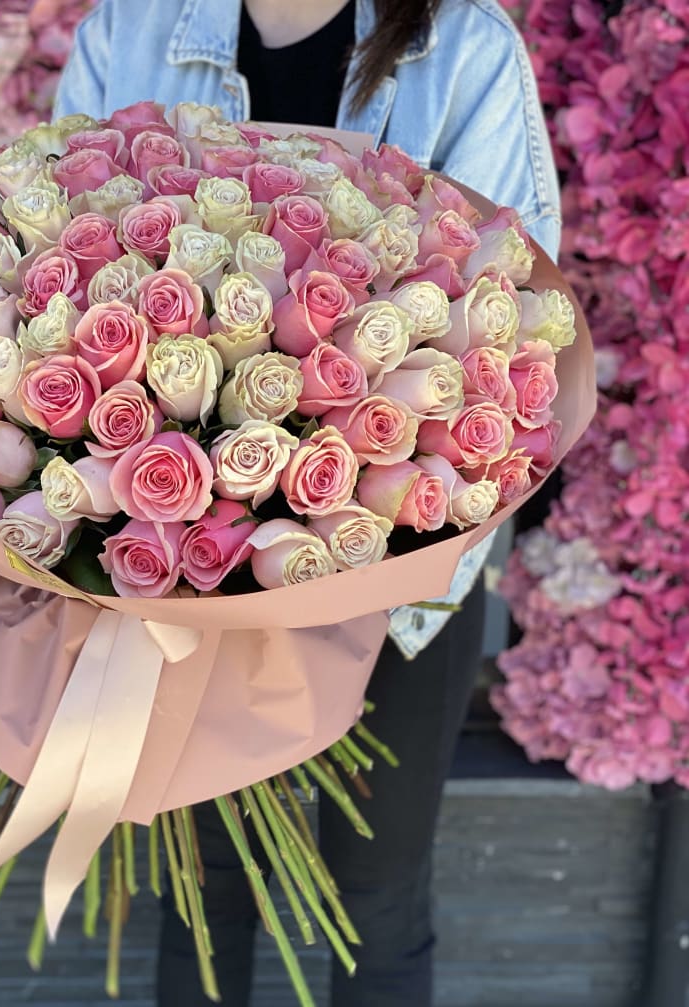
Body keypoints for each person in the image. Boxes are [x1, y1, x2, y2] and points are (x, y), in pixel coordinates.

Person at [53, 2, 561, 1005]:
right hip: (178, 574)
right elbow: (57, 277)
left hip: (402, 568)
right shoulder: (132, 26)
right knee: (204, 896)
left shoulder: (460, 48)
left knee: (374, 897)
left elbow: (512, 314)